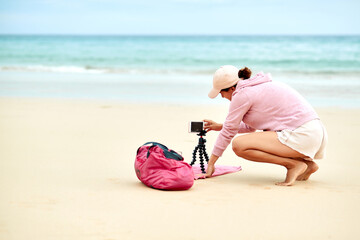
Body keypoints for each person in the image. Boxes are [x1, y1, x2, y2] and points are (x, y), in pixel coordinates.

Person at [204, 65, 327, 186]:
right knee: (244, 142)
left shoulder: (242, 94)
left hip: (302, 134)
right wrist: (220, 126)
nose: (221, 96)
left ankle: (293, 165)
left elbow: (229, 131)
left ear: (231, 88)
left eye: (221, 92)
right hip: (315, 133)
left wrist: (211, 164)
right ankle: (307, 165)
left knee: (239, 145)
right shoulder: (258, 86)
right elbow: (250, 127)